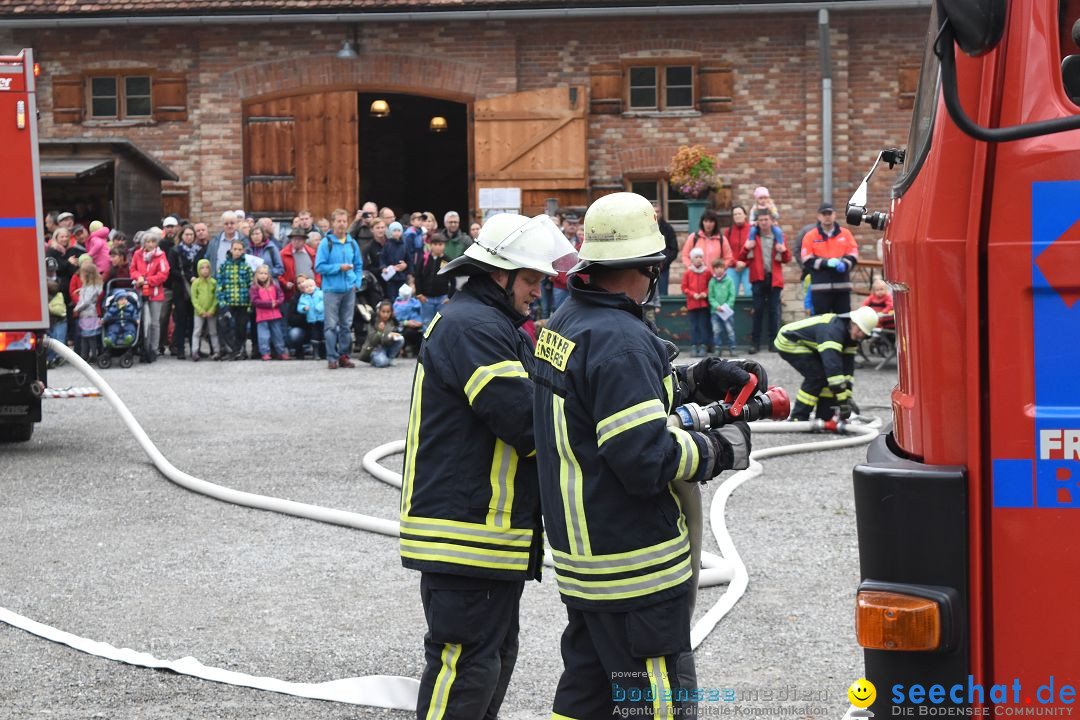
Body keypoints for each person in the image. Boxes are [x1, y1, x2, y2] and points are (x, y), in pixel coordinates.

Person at [531, 192, 758, 718]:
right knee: (656, 700)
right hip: (636, 566)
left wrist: (695, 381)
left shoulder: (567, 322)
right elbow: (643, 455)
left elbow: (607, 406)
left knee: (586, 694)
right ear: (647, 268)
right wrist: (719, 449)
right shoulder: (621, 340)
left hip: (585, 560)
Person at [399, 212, 577, 720]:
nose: (538, 292)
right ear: (499, 274)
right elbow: (524, 418)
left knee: (490, 660)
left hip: (488, 534)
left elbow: (550, 384)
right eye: (531, 280)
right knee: (466, 667)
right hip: (465, 532)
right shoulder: (474, 326)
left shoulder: (492, 323)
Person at [776, 306, 878, 421]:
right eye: (859, 330)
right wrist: (843, 402)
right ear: (852, 322)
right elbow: (833, 370)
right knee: (817, 376)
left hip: (809, 345)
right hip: (789, 341)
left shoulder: (851, 339)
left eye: (863, 333)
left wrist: (847, 397)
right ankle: (799, 417)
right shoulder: (833, 332)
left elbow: (847, 371)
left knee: (826, 377)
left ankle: (825, 416)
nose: (860, 335)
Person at [314, 208, 363, 369]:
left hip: (349, 290)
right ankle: (331, 357)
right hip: (331, 290)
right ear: (333, 223)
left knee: (346, 326)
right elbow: (319, 267)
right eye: (339, 221)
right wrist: (338, 268)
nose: (342, 224)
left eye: (344, 221)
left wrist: (356, 282)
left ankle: (344, 356)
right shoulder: (325, 243)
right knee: (330, 325)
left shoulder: (352, 243)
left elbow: (358, 265)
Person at [739, 211, 790, 353]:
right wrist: (746, 247)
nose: (764, 222)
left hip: (774, 279)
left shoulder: (778, 237)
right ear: (757, 222)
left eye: (766, 219)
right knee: (758, 311)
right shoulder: (753, 237)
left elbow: (787, 259)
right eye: (761, 220)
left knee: (774, 311)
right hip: (758, 279)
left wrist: (784, 251)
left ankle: (774, 343)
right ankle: (755, 344)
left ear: (772, 221)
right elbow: (742, 257)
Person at [801, 202, 859, 316]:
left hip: (842, 287)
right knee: (821, 322)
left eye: (829, 213)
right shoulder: (810, 236)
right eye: (824, 213)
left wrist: (845, 264)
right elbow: (807, 260)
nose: (827, 216)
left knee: (843, 321)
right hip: (820, 288)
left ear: (835, 215)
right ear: (819, 216)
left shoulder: (845, 234)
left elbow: (854, 254)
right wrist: (826, 263)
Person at [130, 232, 170, 363]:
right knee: (140, 321)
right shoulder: (137, 254)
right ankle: (141, 346)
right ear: (144, 243)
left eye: (153, 242)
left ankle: (154, 348)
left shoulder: (161, 255)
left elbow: (163, 274)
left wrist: (147, 280)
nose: (151, 245)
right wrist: (138, 278)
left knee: (154, 322)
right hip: (140, 292)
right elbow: (133, 269)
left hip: (155, 293)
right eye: (148, 242)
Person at [167, 225, 204, 359]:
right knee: (181, 320)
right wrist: (188, 277)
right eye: (186, 234)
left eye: (191, 235)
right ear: (182, 236)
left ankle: (195, 349)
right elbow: (172, 270)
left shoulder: (199, 250)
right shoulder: (175, 251)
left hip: (196, 288)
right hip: (181, 288)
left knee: (195, 320)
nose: (189, 237)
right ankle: (180, 349)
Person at [216, 239, 255, 361]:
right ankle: (232, 349)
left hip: (243, 302)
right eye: (235, 249)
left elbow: (251, 286)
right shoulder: (223, 266)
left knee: (241, 327)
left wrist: (250, 302)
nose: (237, 252)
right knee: (226, 326)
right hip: (228, 302)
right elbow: (219, 285)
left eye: (240, 249)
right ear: (231, 250)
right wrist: (222, 302)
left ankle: (240, 350)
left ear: (243, 251)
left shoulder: (246, 267)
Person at [250, 264, 289, 361]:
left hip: (275, 314)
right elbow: (255, 301)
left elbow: (281, 296)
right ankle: (265, 352)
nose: (263, 275)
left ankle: (281, 352)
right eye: (260, 273)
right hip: (262, 316)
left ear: (269, 275)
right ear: (256, 275)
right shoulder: (254, 288)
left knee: (278, 334)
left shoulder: (274, 286)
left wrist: (276, 303)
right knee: (263, 336)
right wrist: (269, 304)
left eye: (265, 273)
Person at [414, 234, 452, 330]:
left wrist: (450, 296)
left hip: (442, 299)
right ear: (431, 245)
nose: (438, 247)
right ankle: (426, 345)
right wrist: (419, 293)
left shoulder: (447, 260)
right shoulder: (424, 259)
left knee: (442, 324)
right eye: (435, 244)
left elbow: (453, 279)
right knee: (427, 325)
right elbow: (417, 276)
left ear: (444, 245)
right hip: (426, 299)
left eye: (441, 244)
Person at [681, 246, 712, 356]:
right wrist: (693, 294)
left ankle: (704, 346)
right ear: (692, 259)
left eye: (700, 257)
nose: (699, 259)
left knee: (703, 326)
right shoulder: (688, 273)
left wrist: (705, 293)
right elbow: (684, 287)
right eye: (696, 257)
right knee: (694, 326)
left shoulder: (707, 272)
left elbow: (711, 285)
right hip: (692, 304)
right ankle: (694, 346)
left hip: (703, 304)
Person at [72, 256, 104, 361]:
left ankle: (90, 355)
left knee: (89, 336)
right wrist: (80, 290)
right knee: (87, 336)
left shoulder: (90, 288)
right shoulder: (92, 286)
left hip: (88, 314)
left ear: (86, 276)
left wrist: (77, 308)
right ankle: (85, 355)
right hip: (88, 314)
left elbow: (86, 301)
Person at [680, 208, 731, 272]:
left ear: (715, 223)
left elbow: (728, 258)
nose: (708, 224)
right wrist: (691, 267)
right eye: (706, 221)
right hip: (697, 276)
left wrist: (720, 269)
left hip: (715, 277)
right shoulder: (694, 237)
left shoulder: (722, 239)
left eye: (711, 222)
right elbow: (685, 255)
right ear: (702, 222)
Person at [357, 300, 405, 367]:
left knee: (401, 339)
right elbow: (372, 341)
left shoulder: (392, 322)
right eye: (383, 312)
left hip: (386, 347)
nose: (385, 314)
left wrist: (392, 336)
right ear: (379, 312)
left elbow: (386, 341)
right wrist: (380, 332)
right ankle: (377, 360)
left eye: (388, 312)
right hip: (374, 349)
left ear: (391, 313)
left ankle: (390, 358)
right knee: (382, 363)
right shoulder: (373, 321)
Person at [190, 259, 220, 361]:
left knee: (213, 331)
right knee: (197, 331)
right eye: (202, 268)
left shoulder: (214, 282)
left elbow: (216, 297)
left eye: (207, 267)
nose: (205, 270)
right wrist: (200, 310)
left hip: (212, 312)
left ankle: (216, 351)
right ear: (198, 270)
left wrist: (212, 309)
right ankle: (195, 351)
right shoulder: (196, 283)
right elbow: (194, 298)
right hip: (199, 312)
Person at [709, 255, 737, 356]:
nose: (719, 270)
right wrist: (716, 306)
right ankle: (718, 348)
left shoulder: (729, 280)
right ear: (714, 269)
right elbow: (711, 296)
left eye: (721, 267)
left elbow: (732, 295)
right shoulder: (712, 282)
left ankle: (732, 348)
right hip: (715, 311)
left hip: (727, 312)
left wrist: (727, 306)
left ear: (724, 268)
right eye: (716, 268)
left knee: (730, 330)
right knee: (716, 330)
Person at [290, 277, 325, 359]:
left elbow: (325, 301)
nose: (309, 288)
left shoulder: (320, 293)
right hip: (311, 321)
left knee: (324, 336)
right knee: (315, 337)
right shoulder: (302, 297)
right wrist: (304, 309)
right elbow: (300, 307)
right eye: (306, 287)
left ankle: (324, 352)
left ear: (315, 286)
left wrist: (319, 308)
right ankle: (315, 353)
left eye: (311, 286)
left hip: (321, 319)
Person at [281, 226, 320, 300]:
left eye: (299, 239)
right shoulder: (283, 254)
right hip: (292, 293)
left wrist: (317, 285)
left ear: (304, 241)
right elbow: (279, 273)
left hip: (312, 291)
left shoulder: (312, 253)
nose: (296, 241)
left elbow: (317, 271)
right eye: (294, 239)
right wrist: (285, 283)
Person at [207, 211, 246, 275]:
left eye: (232, 223)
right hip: (218, 280)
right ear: (222, 225)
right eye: (226, 224)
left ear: (236, 224)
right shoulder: (214, 241)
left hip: (239, 281)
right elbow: (208, 258)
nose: (229, 226)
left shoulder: (243, 240)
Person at [726, 205, 752, 297]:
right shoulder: (728, 231)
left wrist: (745, 263)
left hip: (748, 266)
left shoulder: (752, 230)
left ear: (745, 215)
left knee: (750, 293)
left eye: (739, 213)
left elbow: (755, 251)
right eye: (735, 214)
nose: (737, 216)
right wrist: (736, 262)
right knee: (731, 295)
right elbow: (726, 251)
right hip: (733, 267)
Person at [379, 221, 411, 297]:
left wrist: (407, 268)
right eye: (394, 230)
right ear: (390, 232)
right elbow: (382, 257)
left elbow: (409, 259)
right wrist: (383, 267)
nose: (396, 233)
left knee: (402, 296)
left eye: (398, 230)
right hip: (391, 276)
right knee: (392, 296)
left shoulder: (404, 245)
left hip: (402, 276)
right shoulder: (387, 245)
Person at [391, 284, 424, 357]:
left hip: (415, 326)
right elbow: (396, 321)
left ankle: (416, 350)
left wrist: (420, 323)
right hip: (401, 327)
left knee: (417, 333)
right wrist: (406, 323)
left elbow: (421, 314)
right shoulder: (396, 304)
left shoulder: (414, 302)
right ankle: (401, 349)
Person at [655, 202, 679, 297]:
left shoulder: (668, 229)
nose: (656, 214)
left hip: (663, 267)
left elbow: (674, 249)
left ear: (661, 213)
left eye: (658, 211)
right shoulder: (645, 229)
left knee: (662, 295)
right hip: (648, 266)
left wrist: (664, 262)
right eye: (654, 211)